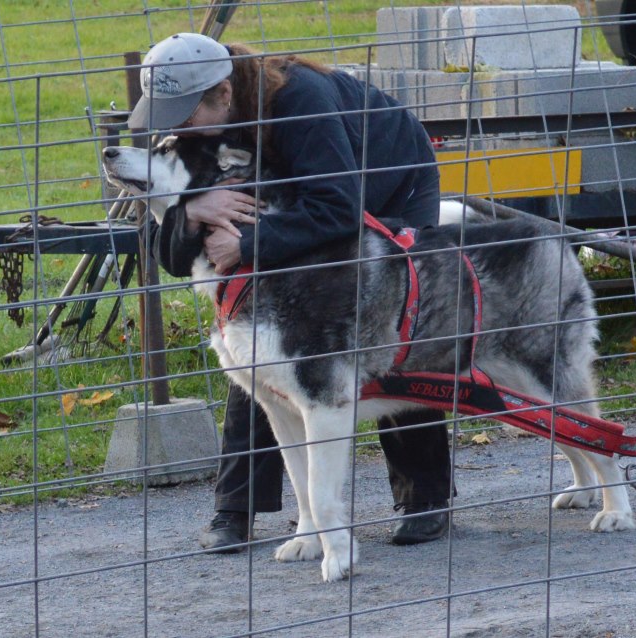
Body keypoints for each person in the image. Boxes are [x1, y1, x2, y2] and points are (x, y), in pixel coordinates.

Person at [128, 33, 453, 552]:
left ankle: (425, 498)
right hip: (302, 205)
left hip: (387, 185)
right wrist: (192, 210)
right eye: (168, 114)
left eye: (185, 113)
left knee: (394, 334)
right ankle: (235, 510)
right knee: (255, 348)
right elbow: (162, 251)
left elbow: (337, 207)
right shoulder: (192, 125)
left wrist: (250, 243)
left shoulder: (300, 99)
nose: (176, 127)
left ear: (223, 94)